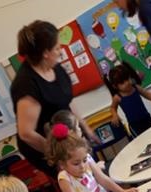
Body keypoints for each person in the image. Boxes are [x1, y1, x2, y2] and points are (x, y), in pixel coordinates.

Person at [11, 20, 94, 178]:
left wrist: (84, 127)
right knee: (77, 181)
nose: (61, 51)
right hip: (46, 145)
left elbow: (67, 101)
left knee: (92, 171)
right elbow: (26, 133)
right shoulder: (26, 84)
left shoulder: (55, 67)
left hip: (68, 136)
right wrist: (60, 155)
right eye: (57, 48)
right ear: (45, 53)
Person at [108, 63, 151, 136]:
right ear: (115, 86)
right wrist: (115, 116)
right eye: (122, 82)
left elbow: (146, 93)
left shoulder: (135, 88)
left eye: (127, 79)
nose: (127, 83)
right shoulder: (117, 97)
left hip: (147, 118)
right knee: (142, 141)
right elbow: (113, 108)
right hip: (135, 125)